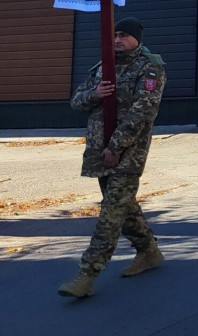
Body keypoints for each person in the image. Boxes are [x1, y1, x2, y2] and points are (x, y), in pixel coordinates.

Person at [58, 18, 167, 299]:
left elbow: (142, 113)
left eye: (123, 35)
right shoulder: (103, 65)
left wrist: (116, 147)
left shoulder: (149, 68)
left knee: (110, 213)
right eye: (115, 34)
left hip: (127, 153)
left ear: (137, 39)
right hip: (99, 150)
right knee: (123, 207)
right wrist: (94, 95)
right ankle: (149, 252)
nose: (117, 39)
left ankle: (88, 273)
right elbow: (75, 101)